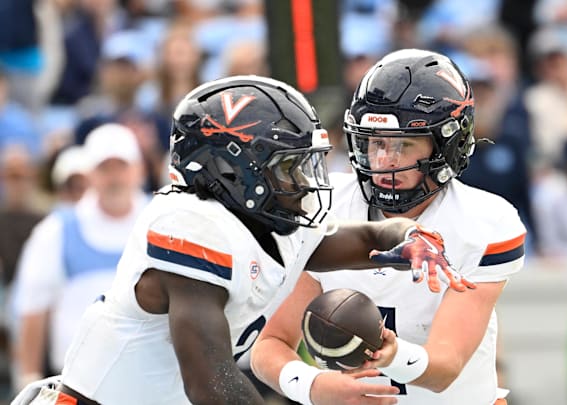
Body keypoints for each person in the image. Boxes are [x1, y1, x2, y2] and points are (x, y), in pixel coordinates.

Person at [11, 75, 473, 405]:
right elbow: (212, 386)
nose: (305, 183)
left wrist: (410, 236)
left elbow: (365, 238)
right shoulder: (190, 229)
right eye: (290, 168)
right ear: (233, 171)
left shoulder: (268, 224)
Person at [251, 50, 526, 405]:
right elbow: (270, 345)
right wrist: (312, 386)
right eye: (376, 143)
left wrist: (392, 355)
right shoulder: (325, 205)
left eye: (403, 145)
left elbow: (446, 366)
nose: (383, 161)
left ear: (448, 143)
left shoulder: (484, 220)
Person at [13, 123, 148, 389]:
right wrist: (27, 377)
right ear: (90, 174)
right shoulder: (55, 230)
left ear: (139, 171)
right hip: (74, 386)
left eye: (121, 167)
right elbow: (33, 309)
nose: (114, 177)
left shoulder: (164, 223)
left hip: (149, 385)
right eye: (104, 169)